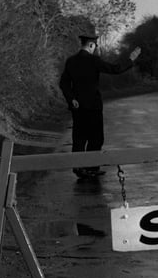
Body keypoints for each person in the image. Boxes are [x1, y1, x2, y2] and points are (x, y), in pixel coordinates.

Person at [59, 33, 142, 178]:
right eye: (95, 46)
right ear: (91, 45)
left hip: (77, 107)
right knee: (96, 138)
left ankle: (78, 168)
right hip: (93, 106)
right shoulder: (94, 60)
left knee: (79, 137)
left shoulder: (71, 61)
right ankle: (92, 167)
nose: (95, 49)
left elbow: (64, 83)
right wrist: (131, 60)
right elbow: (115, 69)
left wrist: (71, 98)